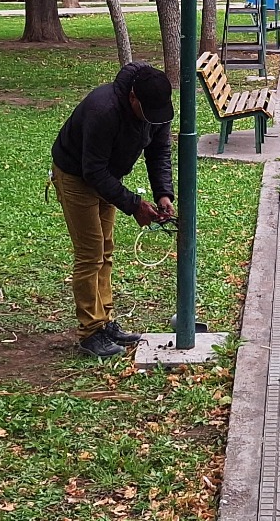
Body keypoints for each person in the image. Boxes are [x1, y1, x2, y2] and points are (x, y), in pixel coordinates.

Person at [50, 62, 176, 358]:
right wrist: (134, 205)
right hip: (76, 176)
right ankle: (90, 332)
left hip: (107, 176)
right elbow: (92, 170)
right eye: (147, 111)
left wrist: (163, 193)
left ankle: (104, 322)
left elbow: (158, 151)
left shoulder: (157, 108)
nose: (153, 118)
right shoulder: (103, 109)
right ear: (133, 97)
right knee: (90, 253)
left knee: (105, 250)